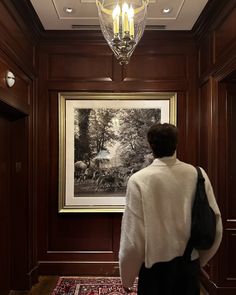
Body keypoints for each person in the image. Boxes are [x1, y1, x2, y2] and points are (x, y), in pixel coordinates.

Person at [119, 123, 223, 295]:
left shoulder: (138, 180)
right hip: (189, 265)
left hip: (154, 272)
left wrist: (127, 277)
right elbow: (216, 224)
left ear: (150, 145)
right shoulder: (198, 175)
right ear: (176, 144)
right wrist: (200, 260)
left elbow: (133, 238)